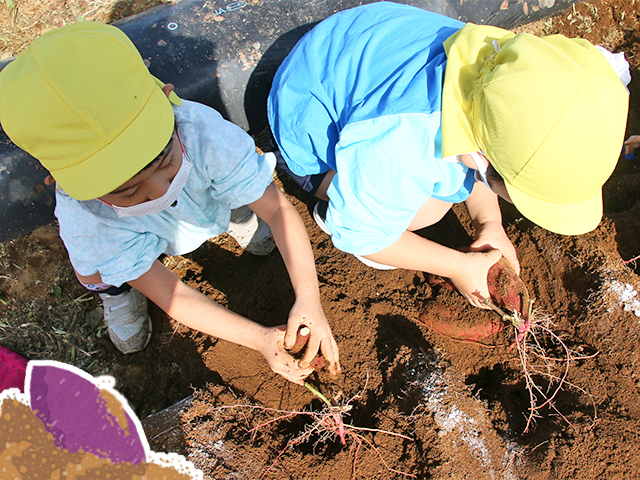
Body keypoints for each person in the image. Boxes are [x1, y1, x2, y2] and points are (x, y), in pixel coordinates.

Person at [0, 22, 340, 384]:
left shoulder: (203, 134)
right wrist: (258, 339)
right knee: (97, 271)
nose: (160, 190)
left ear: (165, 97)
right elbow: (171, 293)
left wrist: (309, 299)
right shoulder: (89, 218)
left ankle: (236, 211)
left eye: (163, 160)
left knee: (235, 187)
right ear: (62, 179)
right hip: (131, 242)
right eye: (128, 191)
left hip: (205, 197)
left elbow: (276, 208)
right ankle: (118, 292)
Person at [267, 1, 629, 308]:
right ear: (487, 163)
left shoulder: (510, 72)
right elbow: (365, 235)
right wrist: (455, 266)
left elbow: (484, 149)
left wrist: (490, 223)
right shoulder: (402, 145)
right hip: (308, 119)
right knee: (428, 209)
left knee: (441, 188)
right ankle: (330, 206)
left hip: (359, 48)